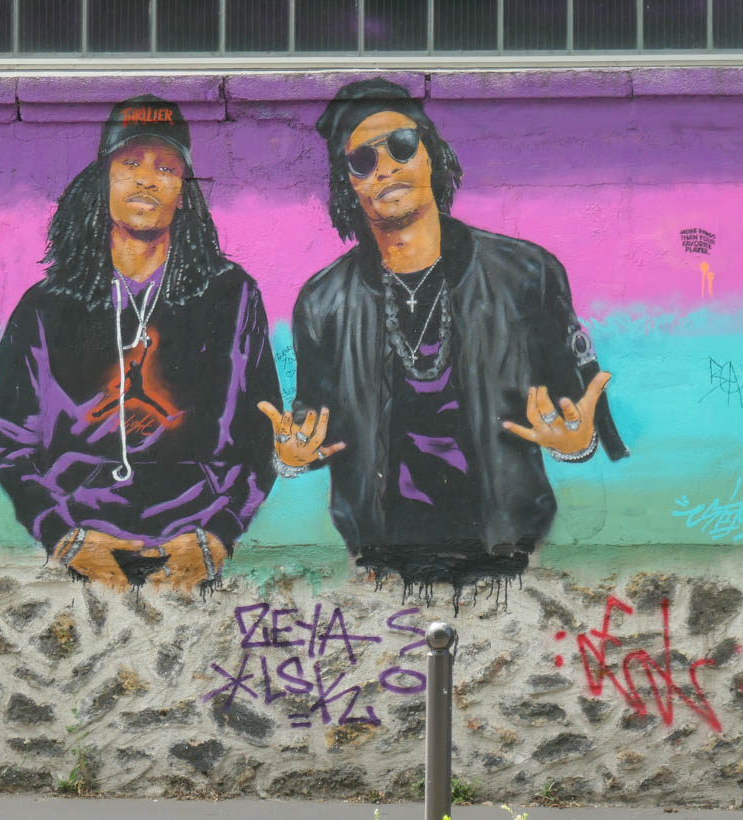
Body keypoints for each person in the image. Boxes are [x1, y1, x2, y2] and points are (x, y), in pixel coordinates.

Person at [260, 78, 626, 592]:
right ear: (349, 185)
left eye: (401, 145)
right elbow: (313, 425)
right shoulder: (324, 302)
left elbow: (575, 415)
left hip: (509, 559)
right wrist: (291, 458)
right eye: (362, 160)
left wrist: (578, 445)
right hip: (381, 564)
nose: (385, 167)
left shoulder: (527, 273)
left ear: (431, 153)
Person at [0, 95, 281, 590]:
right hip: (79, 547)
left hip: (196, 546)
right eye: (129, 163)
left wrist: (219, 536)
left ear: (184, 190)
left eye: (166, 167)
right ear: (103, 179)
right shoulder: (46, 304)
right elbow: (8, 435)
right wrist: (61, 535)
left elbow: (260, 428)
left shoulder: (231, 294)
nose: (147, 179)